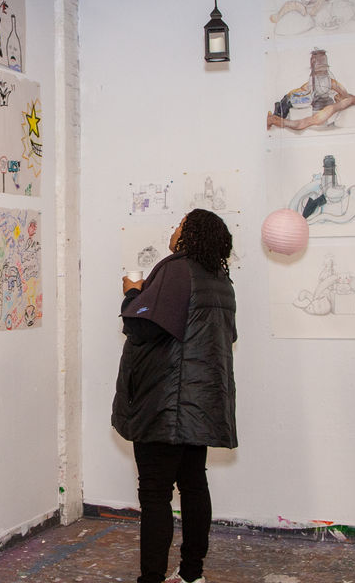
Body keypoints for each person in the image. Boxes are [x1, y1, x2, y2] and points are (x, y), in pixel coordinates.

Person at [112, 209, 238, 583]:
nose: (174, 229)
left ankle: (151, 578)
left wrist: (132, 291)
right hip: (200, 404)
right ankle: (191, 574)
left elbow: (140, 327)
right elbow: (224, 337)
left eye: (180, 224)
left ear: (189, 233)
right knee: (194, 485)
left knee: (155, 494)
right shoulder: (220, 280)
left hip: (165, 404)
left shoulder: (177, 270)